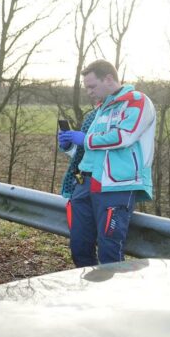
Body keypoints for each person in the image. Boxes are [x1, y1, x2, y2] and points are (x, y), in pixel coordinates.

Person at [57, 59, 156, 267]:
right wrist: (70, 146)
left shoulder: (136, 100)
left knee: (109, 252)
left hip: (116, 186)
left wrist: (84, 139)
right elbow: (92, 151)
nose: (89, 92)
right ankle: (86, 286)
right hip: (84, 183)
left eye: (92, 86)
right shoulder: (99, 111)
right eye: (87, 88)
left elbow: (124, 136)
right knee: (79, 246)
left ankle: (113, 290)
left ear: (109, 79)